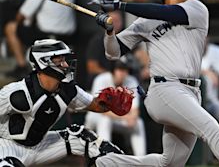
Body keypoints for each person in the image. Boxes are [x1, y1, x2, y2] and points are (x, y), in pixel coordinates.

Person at [90, 0, 219, 167]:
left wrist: (121, 5)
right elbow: (113, 52)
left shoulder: (196, 9)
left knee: (169, 163)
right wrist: (110, 32)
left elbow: (166, 12)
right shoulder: (146, 21)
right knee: (212, 129)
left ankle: (105, 163)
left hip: (191, 91)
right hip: (165, 89)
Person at [0, 39, 129, 166]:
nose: (66, 64)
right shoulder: (17, 93)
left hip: (40, 145)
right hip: (9, 146)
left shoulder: (67, 90)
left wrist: (111, 101)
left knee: (84, 138)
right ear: (44, 61)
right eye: (60, 60)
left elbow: (95, 105)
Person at [4, 0, 82, 79]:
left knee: (11, 27)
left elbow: (21, 15)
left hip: (45, 35)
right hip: (69, 37)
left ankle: (21, 67)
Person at [85, 59, 147, 156]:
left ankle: (141, 159)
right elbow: (100, 109)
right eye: (120, 69)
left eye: (125, 69)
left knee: (138, 123)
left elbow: (135, 109)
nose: (123, 73)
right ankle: (104, 156)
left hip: (118, 118)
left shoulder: (131, 80)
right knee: (105, 120)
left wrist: (133, 118)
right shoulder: (101, 79)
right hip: (95, 117)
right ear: (113, 70)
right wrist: (127, 117)